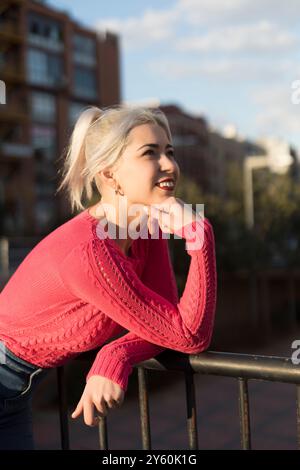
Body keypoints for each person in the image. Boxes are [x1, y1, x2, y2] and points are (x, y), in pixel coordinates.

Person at [0, 105, 217, 449]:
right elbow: (188, 336)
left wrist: (116, 355)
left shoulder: (145, 230)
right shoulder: (90, 253)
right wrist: (199, 235)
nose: (169, 165)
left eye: (170, 152)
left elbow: (172, 324)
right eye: (150, 153)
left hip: (16, 390)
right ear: (109, 173)